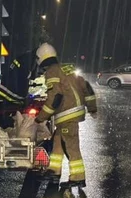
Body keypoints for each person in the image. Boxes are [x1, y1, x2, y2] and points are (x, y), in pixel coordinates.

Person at [34, 43, 97, 187]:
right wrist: (92, 108)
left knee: (71, 146)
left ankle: (78, 178)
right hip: (72, 114)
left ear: (41, 59)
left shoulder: (52, 72)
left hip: (66, 114)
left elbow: (55, 97)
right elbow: (86, 88)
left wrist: (41, 118)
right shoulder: (66, 69)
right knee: (58, 141)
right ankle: (54, 171)